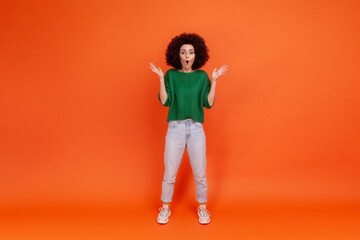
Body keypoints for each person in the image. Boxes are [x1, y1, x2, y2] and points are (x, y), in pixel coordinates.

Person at [149, 33, 228, 225]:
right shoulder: (171, 75)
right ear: (177, 54)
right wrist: (160, 78)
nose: (187, 55)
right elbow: (165, 101)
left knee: (200, 173)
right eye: (183, 52)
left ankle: (202, 208)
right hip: (175, 128)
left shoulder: (202, 76)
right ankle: (165, 207)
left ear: (196, 55)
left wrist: (215, 81)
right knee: (169, 172)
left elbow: (208, 104)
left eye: (191, 52)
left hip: (196, 130)